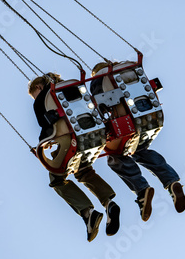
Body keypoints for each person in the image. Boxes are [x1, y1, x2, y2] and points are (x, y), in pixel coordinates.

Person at [28, 72, 120, 242]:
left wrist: (41, 145)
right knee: (84, 171)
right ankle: (109, 203)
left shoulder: (44, 98)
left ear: (39, 88)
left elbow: (47, 128)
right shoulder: (75, 88)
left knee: (56, 177)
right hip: (94, 136)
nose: (36, 99)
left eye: (35, 95)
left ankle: (88, 213)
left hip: (71, 140)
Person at [90, 62, 185, 222]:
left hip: (125, 121)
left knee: (114, 157)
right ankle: (172, 182)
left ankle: (142, 191)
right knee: (140, 150)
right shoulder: (129, 71)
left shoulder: (99, 79)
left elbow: (100, 107)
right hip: (151, 117)